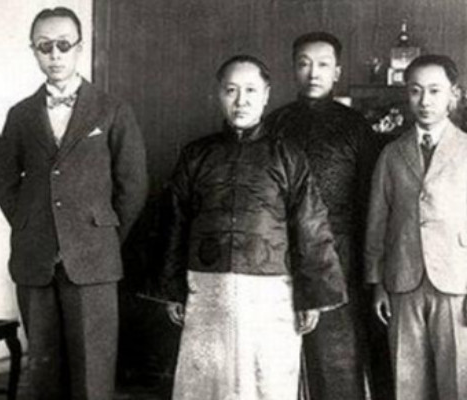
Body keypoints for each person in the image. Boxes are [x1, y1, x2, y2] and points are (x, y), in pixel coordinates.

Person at [158, 55, 347, 400]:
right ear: (218, 94)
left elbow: (310, 225)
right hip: (208, 289)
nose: (241, 100)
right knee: (207, 382)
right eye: (231, 90)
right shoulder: (196, 155)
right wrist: (172, 290)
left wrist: (311, 297)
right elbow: (175, 222)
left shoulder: (288, 156)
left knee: (267, 380)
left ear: (266, 95)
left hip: (272, 292)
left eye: (250, 90)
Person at [0, 7, 148, 400]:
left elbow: (133, 186)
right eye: (44, 46)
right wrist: (30, 224)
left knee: (92, 375)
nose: (55, 55)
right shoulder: (20, 114)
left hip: (94, 259)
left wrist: (100, 233)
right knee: (44, 373)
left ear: (80, 48)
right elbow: (4, 182)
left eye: (64, 45)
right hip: (36, 258)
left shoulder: (112, 110)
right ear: (33, 51)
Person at [264, 31, 390, 400]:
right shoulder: (273, 124)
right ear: (293, 70)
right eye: (304, 64)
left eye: (322, 64)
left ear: (337, 72)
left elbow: (370, 201)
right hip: (279, 250)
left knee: (337, 354)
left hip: (340, 254)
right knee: (277, 350)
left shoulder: (356, 127)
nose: (313, 73)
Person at [365, 54, 467, 400]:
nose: (425, 101)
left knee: (458, 381)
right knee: (406, 382)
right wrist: (378, 284)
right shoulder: (392, 154)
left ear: (453, 94)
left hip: (456, 283)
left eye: (435, 91)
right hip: (403, 281)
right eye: (415, 91)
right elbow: (377, 222)